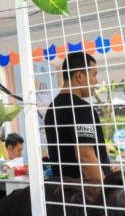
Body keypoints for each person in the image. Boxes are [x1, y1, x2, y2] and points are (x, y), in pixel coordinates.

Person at [44, 51, 111, 182]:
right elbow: (85, 155)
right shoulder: (81, 108)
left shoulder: (53, 107)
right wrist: (106, 189)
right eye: (94, 75)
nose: (96, 81)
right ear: (80, 76)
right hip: (86, 192)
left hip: (65, 190)